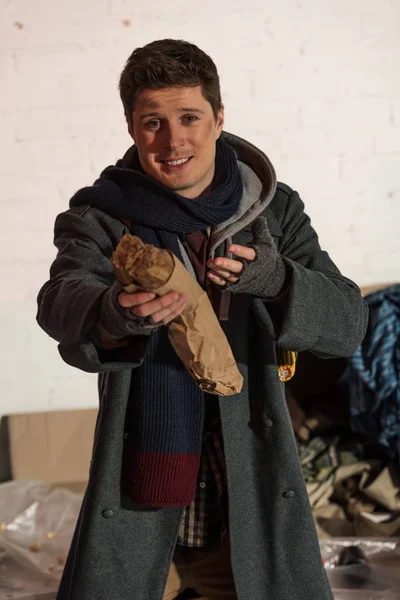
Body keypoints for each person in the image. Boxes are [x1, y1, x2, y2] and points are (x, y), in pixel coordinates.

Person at [37, 39, 368, 600]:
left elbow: (348, 325)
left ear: (218, 118)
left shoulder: (273, 210)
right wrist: (114, 313)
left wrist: (279, 280)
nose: (172, 141)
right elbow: (60, 299)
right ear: (131, 128)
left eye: (189, 117)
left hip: (245, 491)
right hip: (143, 489)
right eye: (152, 123)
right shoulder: (101, 216)